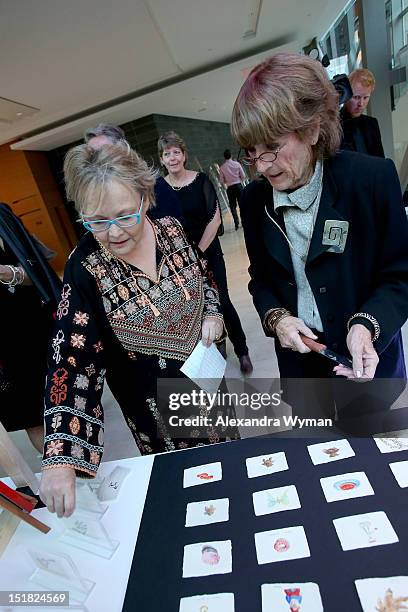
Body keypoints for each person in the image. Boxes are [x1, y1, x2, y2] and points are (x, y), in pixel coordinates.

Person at [39, 142, 238, 518]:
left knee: (232, 475)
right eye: (96, 221)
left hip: (208, 387)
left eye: (125, 216)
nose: (113, 233)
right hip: (157, 417)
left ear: (145, 198)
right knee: (194, 506)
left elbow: (205, 281)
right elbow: (70, 360)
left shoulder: (172, 232)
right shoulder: (86, 268)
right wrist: (60, 457)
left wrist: (212, 313)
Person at [231, 53, 408, 421]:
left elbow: (399, 275)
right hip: (301, 370)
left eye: (273, 147)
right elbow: (262, 279)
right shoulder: (253, 200)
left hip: (367, 362)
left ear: (312, 129)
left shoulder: (371, 181)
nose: (262, 166)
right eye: (252, 153)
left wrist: (366, 325)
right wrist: (277, 318)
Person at [153, 131, 253, 375]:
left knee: (223, 301)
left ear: (184, 155)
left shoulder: (201, 180)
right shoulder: (159, 188)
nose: (173, 157)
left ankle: (242, 350)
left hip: (208, 252)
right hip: (181, 261)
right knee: (199, 308)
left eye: (177, 152)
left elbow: (215, 217)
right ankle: (218, 345)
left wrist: (198, 252)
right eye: (167, 154)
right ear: (162, 159)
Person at [0, 203, 61, 452]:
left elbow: (35, 269)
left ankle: (85, 471)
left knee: (64, 400)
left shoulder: (3, 214)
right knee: (33, 416)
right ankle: (68, 476)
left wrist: (8, 273)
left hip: (36, 322)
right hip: (5, 342)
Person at [340, 68, 385, 157]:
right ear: (346, 95)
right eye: (356, 97)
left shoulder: (372, 123)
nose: (361, 104)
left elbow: (380, 160)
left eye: (366, 98)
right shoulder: (334, 124)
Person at [218, 149, 245, 230]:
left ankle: (236, 224)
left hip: (230, 188)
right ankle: (244, 222)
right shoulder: (237, 164)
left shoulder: (222, 167)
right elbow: (243, 176)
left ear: (224, 157)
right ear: (231, 155)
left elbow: (222, 181)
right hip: (239, 186)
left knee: (232, 206)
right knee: (242, 204)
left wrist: (228, 180)